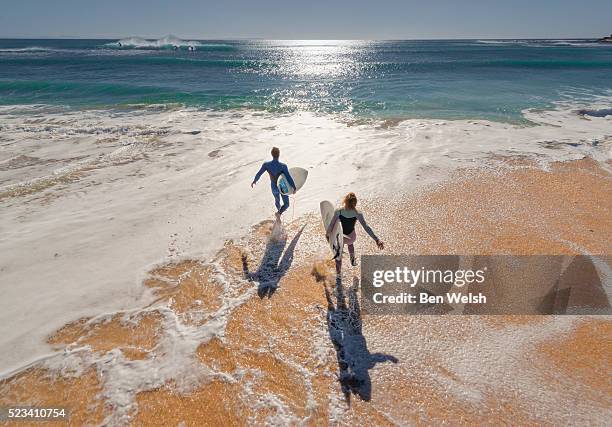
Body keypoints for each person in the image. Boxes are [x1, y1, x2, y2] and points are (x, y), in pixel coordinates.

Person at [327, 192, 384, 274]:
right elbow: (366, 227)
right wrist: (377, 239)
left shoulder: (338, 211)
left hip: (341, 238)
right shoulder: (358, 213)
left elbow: (331, 225)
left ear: (345, 201)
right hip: (351, 238)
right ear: (355, 203)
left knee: (338, 255)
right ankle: (352, 259)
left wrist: (328, 235)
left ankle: (338, 274)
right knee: (350, 244)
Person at [251, 147, 296, 219]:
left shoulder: (266, 165)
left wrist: (255, 181)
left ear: (271, 154)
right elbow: (288, 177)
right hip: (282, 186)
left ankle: (278, 214)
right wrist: (294, 187)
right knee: (286, 204)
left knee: (277, 201)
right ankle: (279, 213)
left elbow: (259, 173)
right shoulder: (283, 166)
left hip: (274, 187)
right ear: (279, 154)